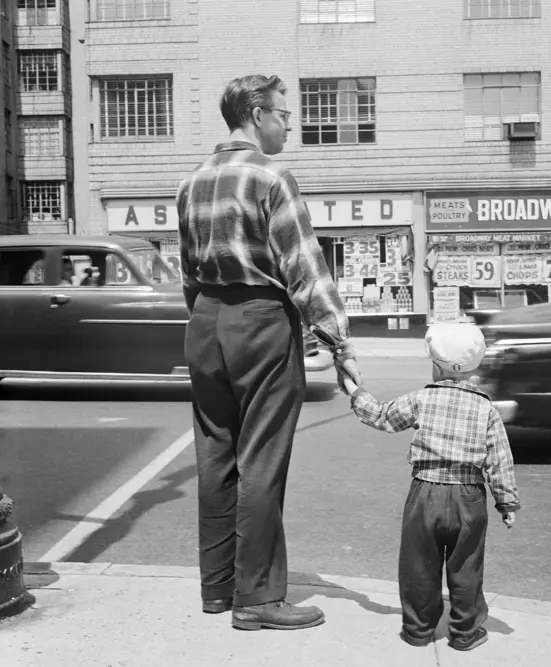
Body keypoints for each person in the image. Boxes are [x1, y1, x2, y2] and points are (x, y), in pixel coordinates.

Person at [176, 74, 361, 631]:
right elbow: (304, 266)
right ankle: (256, 598)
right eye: (283, 113)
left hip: (206, 320)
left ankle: (218, 587)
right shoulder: (272, 177)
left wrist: (210, 313)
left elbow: (188, 271)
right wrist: (338, 340)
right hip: (260, 321)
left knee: (215, 455)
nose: (289, 123)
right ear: (256, 115)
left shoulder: (192, 182)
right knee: (262, 458)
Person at [342, 322, 520, 652]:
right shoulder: (486, 409)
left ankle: (418, 630)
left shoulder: (421, 399)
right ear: (475, 365)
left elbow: (381, 417)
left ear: (436, 364)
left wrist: (356, 392)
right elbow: (500, 459)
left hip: (425, 493)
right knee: (466, 566)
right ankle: (465, 633)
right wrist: (506, 503)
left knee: (419, 564)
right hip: (469, 496)